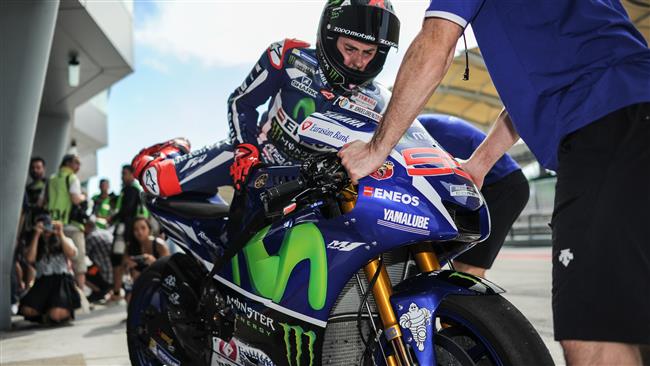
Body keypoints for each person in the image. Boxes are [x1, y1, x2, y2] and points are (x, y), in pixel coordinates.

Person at [338, 2, 650, 364]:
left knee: (597, 335)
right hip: (631, 114)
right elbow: (548, 77)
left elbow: (435, 44)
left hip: (606, 126)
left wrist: (376, 148)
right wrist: (480, 164)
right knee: (636, 321)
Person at [131, 0, 400, 200]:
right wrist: (246, 150)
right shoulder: (288, 56)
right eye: (350, 48)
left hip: (308, 186)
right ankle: (173, 151)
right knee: (155, 181)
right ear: (329, 38)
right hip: (255, 158)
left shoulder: (378, 100)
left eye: (369, 52)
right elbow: (241, 102)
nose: (358, 61)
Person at [417, 114, 529, 278]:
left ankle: (475, 304)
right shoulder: (422, 125)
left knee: (467, 269)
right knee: (459, 267)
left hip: (501, 185)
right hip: (490, 183)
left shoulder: (414, 132)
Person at [19, 215, 81, 324]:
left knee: (56, 315)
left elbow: (71, 253)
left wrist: (60, 233)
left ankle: (60, 313)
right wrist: (37, 235)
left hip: (62, 280)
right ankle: (45, 313)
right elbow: (30, 259)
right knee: (27, 310)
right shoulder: (35, 241)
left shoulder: (63, 239)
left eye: (47, 226)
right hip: (43, 280)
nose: (46, 230)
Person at [45, 154, 87, 290]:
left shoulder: (51, 179)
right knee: (78, 263)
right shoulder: (72, 178)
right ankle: (80, 297)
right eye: (77, 163)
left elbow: (43, 202)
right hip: (72, 225)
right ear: (68, 163)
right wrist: (84, 197)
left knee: (59, 261)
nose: (78, 167)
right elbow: (75, 199)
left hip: (53, 226)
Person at [108, 165, 148, 301]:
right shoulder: (134, 189)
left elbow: (127, 210)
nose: (122, 176)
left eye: (124, 173)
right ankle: (121, 292)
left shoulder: (131, 189)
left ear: (132, 174)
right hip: (129, 229)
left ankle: (118, 292)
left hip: (126, 229)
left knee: (119, 259)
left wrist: (113, 218)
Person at [124, 216, 170, 287]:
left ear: (149, 229)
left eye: (143, 228)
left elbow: (167, 269)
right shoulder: (130, 246)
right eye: (136, 229)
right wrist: (131, 264)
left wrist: (154, 262)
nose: (140, 232)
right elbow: (124, 263)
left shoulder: (159, 244)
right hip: (138, 284)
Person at [84, 218, 114, 302]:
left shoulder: (91, 237)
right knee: (93, 267)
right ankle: (106, 291)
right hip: (116, 274)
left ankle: (99, 291)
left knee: (79, 272)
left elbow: (83, 255)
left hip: (105, 277)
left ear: (87, 227)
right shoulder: (106, 232)